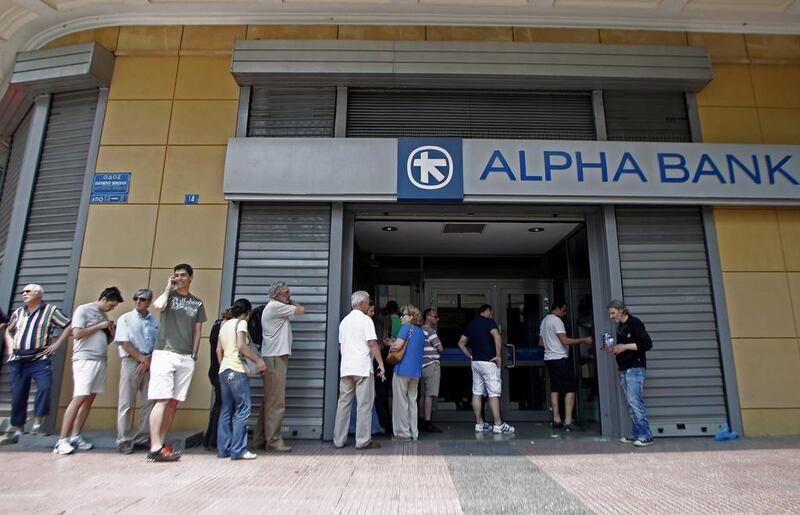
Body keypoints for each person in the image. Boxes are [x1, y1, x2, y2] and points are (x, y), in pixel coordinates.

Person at [147, 263, 207, 462]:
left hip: (185, 357)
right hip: (165, 353)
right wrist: (167, 288)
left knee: (173, 403)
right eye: (176, 276)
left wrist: (194, 353)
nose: (179, 278)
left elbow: (198, 330)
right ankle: (154, 447)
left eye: (182, 275)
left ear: (191, 277)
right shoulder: (168, 297)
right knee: (161, 400)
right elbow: (157, 306)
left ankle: (161, 444)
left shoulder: (197, 303)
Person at [54, 287, 123, 455]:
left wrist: (111, 334)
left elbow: (102, 340)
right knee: (79, 398)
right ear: (105, 299)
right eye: (111, 305)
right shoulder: (83, 310)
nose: (112, 309)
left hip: (100, 360)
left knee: (89, 399)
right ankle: (61, 440)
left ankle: (75, 436)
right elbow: (77, 333)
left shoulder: (104, 316)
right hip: (84, 360)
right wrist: (99, 326)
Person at [0, 285, 71, 445]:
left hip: (40, 358)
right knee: (18, 394)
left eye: (28, 291)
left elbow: (68, 326)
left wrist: (56, 344)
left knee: (45, 387)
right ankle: (18, 430)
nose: (24, 294)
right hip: (17, 360)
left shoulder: (50, 310)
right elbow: (8, 329)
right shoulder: (18, 312)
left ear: (39, 294)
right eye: (23, 292)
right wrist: (10, 346)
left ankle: (37, 425)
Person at [253, 281, 305, 452]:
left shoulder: (277, 307)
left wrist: (288, 299)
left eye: (289, 292)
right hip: (275, 359)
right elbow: (302, 310)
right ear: (275, 295)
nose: (289, 295)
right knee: (276, 403)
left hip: (273, 357)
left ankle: (260, 439)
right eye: (285, 293)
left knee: (269, 401)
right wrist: (290, 301)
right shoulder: (276, 306)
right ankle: (273, 441)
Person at [333, 291, 385, 450]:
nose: (369, 305)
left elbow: (341, 346)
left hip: (346, 368)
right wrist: (381, 364)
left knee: (343, 404)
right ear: (362, 304)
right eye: (368, 302)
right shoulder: (366, 320)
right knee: (364, 406)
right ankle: (362, 441)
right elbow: (372, 343)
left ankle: (338, 440)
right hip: (362, 368)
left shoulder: (344, 322)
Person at [217, 299, 266, 460]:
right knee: (243, 409)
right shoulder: (241, 323)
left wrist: (223, 366)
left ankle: (224, 449)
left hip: (224, 370)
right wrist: (258, 360)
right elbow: (242, 346)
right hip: (237, 370)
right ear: (248, 312)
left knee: (226, 410)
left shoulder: (224, 325)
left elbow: (219, 350)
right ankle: (238, 449)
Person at [112, 288, 158, 454]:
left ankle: (143, 437)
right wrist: (141, 358)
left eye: (143, 299)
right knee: (126, 402)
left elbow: (158, 342)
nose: (138, 301)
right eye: (136, 298)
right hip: (132, 362)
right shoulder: (125, 318)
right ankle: (123, 439)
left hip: (149, 362)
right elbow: (123, 342)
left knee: (148, 402)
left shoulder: (154, 321)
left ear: (149, 301)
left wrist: (148, 359)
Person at [457, 304, 514, 434]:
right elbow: (497, 336)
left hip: (476, 362)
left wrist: (470, 356)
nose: (492, 314)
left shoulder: (471, 324)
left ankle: (479, 423)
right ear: (487, 310)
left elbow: (461, 343)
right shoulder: (489, 322)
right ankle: (498, 424)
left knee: (477, 392)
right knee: (494, 393)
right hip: (489, 361)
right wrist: (498, 356)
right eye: (491, 312)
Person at [607, 299, 654, 447]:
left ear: (621, 310)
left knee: (635, 402)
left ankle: (646, 435)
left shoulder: (635, 323)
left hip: (635, 368)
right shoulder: (621, 326)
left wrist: (624, 347)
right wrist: (614, 349)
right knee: (630, 403)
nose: (611, 316)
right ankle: (636, 433)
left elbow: (647, 344)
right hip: (624, 369)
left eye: (613, 313)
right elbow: (623, 347)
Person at [538, 303, 592, 432]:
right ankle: (568, 421)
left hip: (549, 359)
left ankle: (556, 419)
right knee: (570, 388)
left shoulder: (544, 321)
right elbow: (565, 341)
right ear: (556, 308)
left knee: (555, 388)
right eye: (564, 310)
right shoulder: (557, 321)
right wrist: (584, 340)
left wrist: (550, 344)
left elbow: (540, 343)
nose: (565, 313)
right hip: (560, 358)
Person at [390, 305, 425, 441]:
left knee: (400, 401)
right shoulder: (421, 332)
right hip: (415, 372)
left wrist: (390, 345)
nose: (401, 317)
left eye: (403, 315)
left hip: (402, 369)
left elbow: (398, 346)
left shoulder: (405, 328)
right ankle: (413, 432)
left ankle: (402, 433)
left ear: (410, 317)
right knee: (412, 401)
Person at [419, 308, 444, 433]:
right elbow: (440, 348)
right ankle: (428, 422)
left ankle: (421, 419)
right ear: (428, 317)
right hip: (431, 365)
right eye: (435, 316)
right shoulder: (430, 332)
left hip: (421, 365)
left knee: (423, 395)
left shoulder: (419, 331)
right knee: (430, 394)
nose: (437, 319)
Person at [203, 316, 224, 451]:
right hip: (220, 371)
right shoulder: (225, 326)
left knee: (218, 405)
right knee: (222, 406)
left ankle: (210, 439)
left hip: (214, 370)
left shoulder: (216, 325)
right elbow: (219, 350)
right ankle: (214, 440)